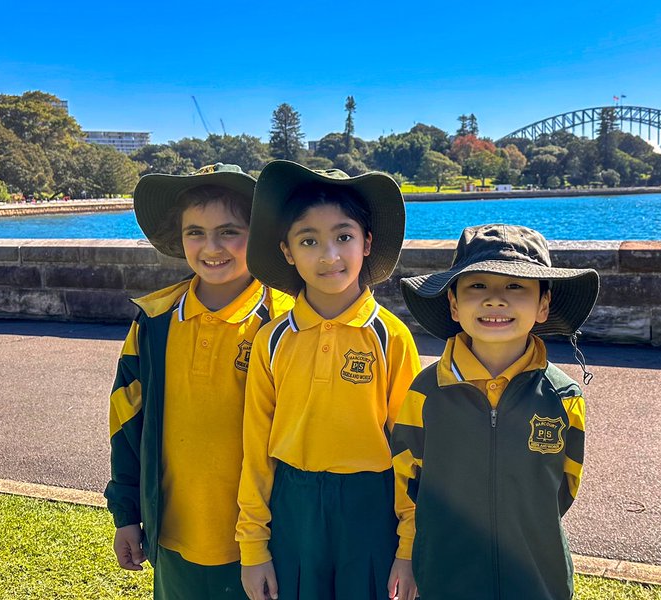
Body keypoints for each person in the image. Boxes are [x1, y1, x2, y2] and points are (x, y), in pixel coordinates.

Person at [105, 163, 294, 599]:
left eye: (230, 231)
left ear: (261, 234)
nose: (212, 247)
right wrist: (126, 513)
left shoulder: (287, 322)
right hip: (173, 534)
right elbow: (125, 424)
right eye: (196, 232)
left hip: (266, 543)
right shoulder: (154, 321)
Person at [236, 161, 422, 600]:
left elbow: (415, 451)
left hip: (372, 507)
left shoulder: (391, 337)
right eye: (308, 240)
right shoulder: (272, 340)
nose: (329, 256)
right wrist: (252, 547)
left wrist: (409, 547)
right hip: (293, 507)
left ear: (367, 242)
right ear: (287, 250)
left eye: (343, 237)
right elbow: (256, 450)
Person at [391, 223, 600, 600]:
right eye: (477, 286)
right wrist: (407, 554)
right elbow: (408, 484)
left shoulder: (563, 396)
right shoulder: (425, 394)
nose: (495, 300)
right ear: (453, 304)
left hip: (539, 579)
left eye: (516, 286)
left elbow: (564, 488)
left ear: (543, 305)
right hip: (445, 577)